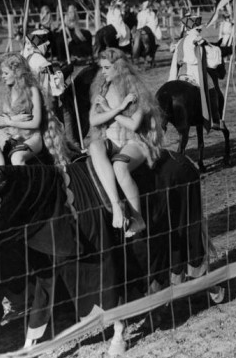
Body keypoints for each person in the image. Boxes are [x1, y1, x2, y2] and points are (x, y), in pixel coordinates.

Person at [88, 48, 164, 237]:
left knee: (120, 166)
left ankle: (137, 218)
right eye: (102, 68)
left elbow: (134, 125)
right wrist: (117, 109)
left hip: (134, 142)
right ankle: (116, 205)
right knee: (94, 146)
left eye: (107, 67)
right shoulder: (102, 88)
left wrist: (111, 109)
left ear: (119, 67)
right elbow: (93, 120)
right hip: (112, 140)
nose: (103, 72)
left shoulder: (135, 89)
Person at [0, 53, 46, 166]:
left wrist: (11, 122)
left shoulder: (32, 90)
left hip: (30, 136)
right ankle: (0, 176)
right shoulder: (1, 91)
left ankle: (23, 182)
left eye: (6, 73)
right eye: (2, 73)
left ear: (17, 73)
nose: (3, 76)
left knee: (16, 157)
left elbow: (35, 123)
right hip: (7, 136)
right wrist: (14, 119)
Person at [168, 14, 223, 129]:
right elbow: (213, 62)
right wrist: (213, 48)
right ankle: (215, 119)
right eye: (199, 29)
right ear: (197, 28)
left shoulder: (180, 42)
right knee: (212, 88)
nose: (200, 31)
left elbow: (174, 63)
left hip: (182, 74)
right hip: (196, 72)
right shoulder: (199, 39)